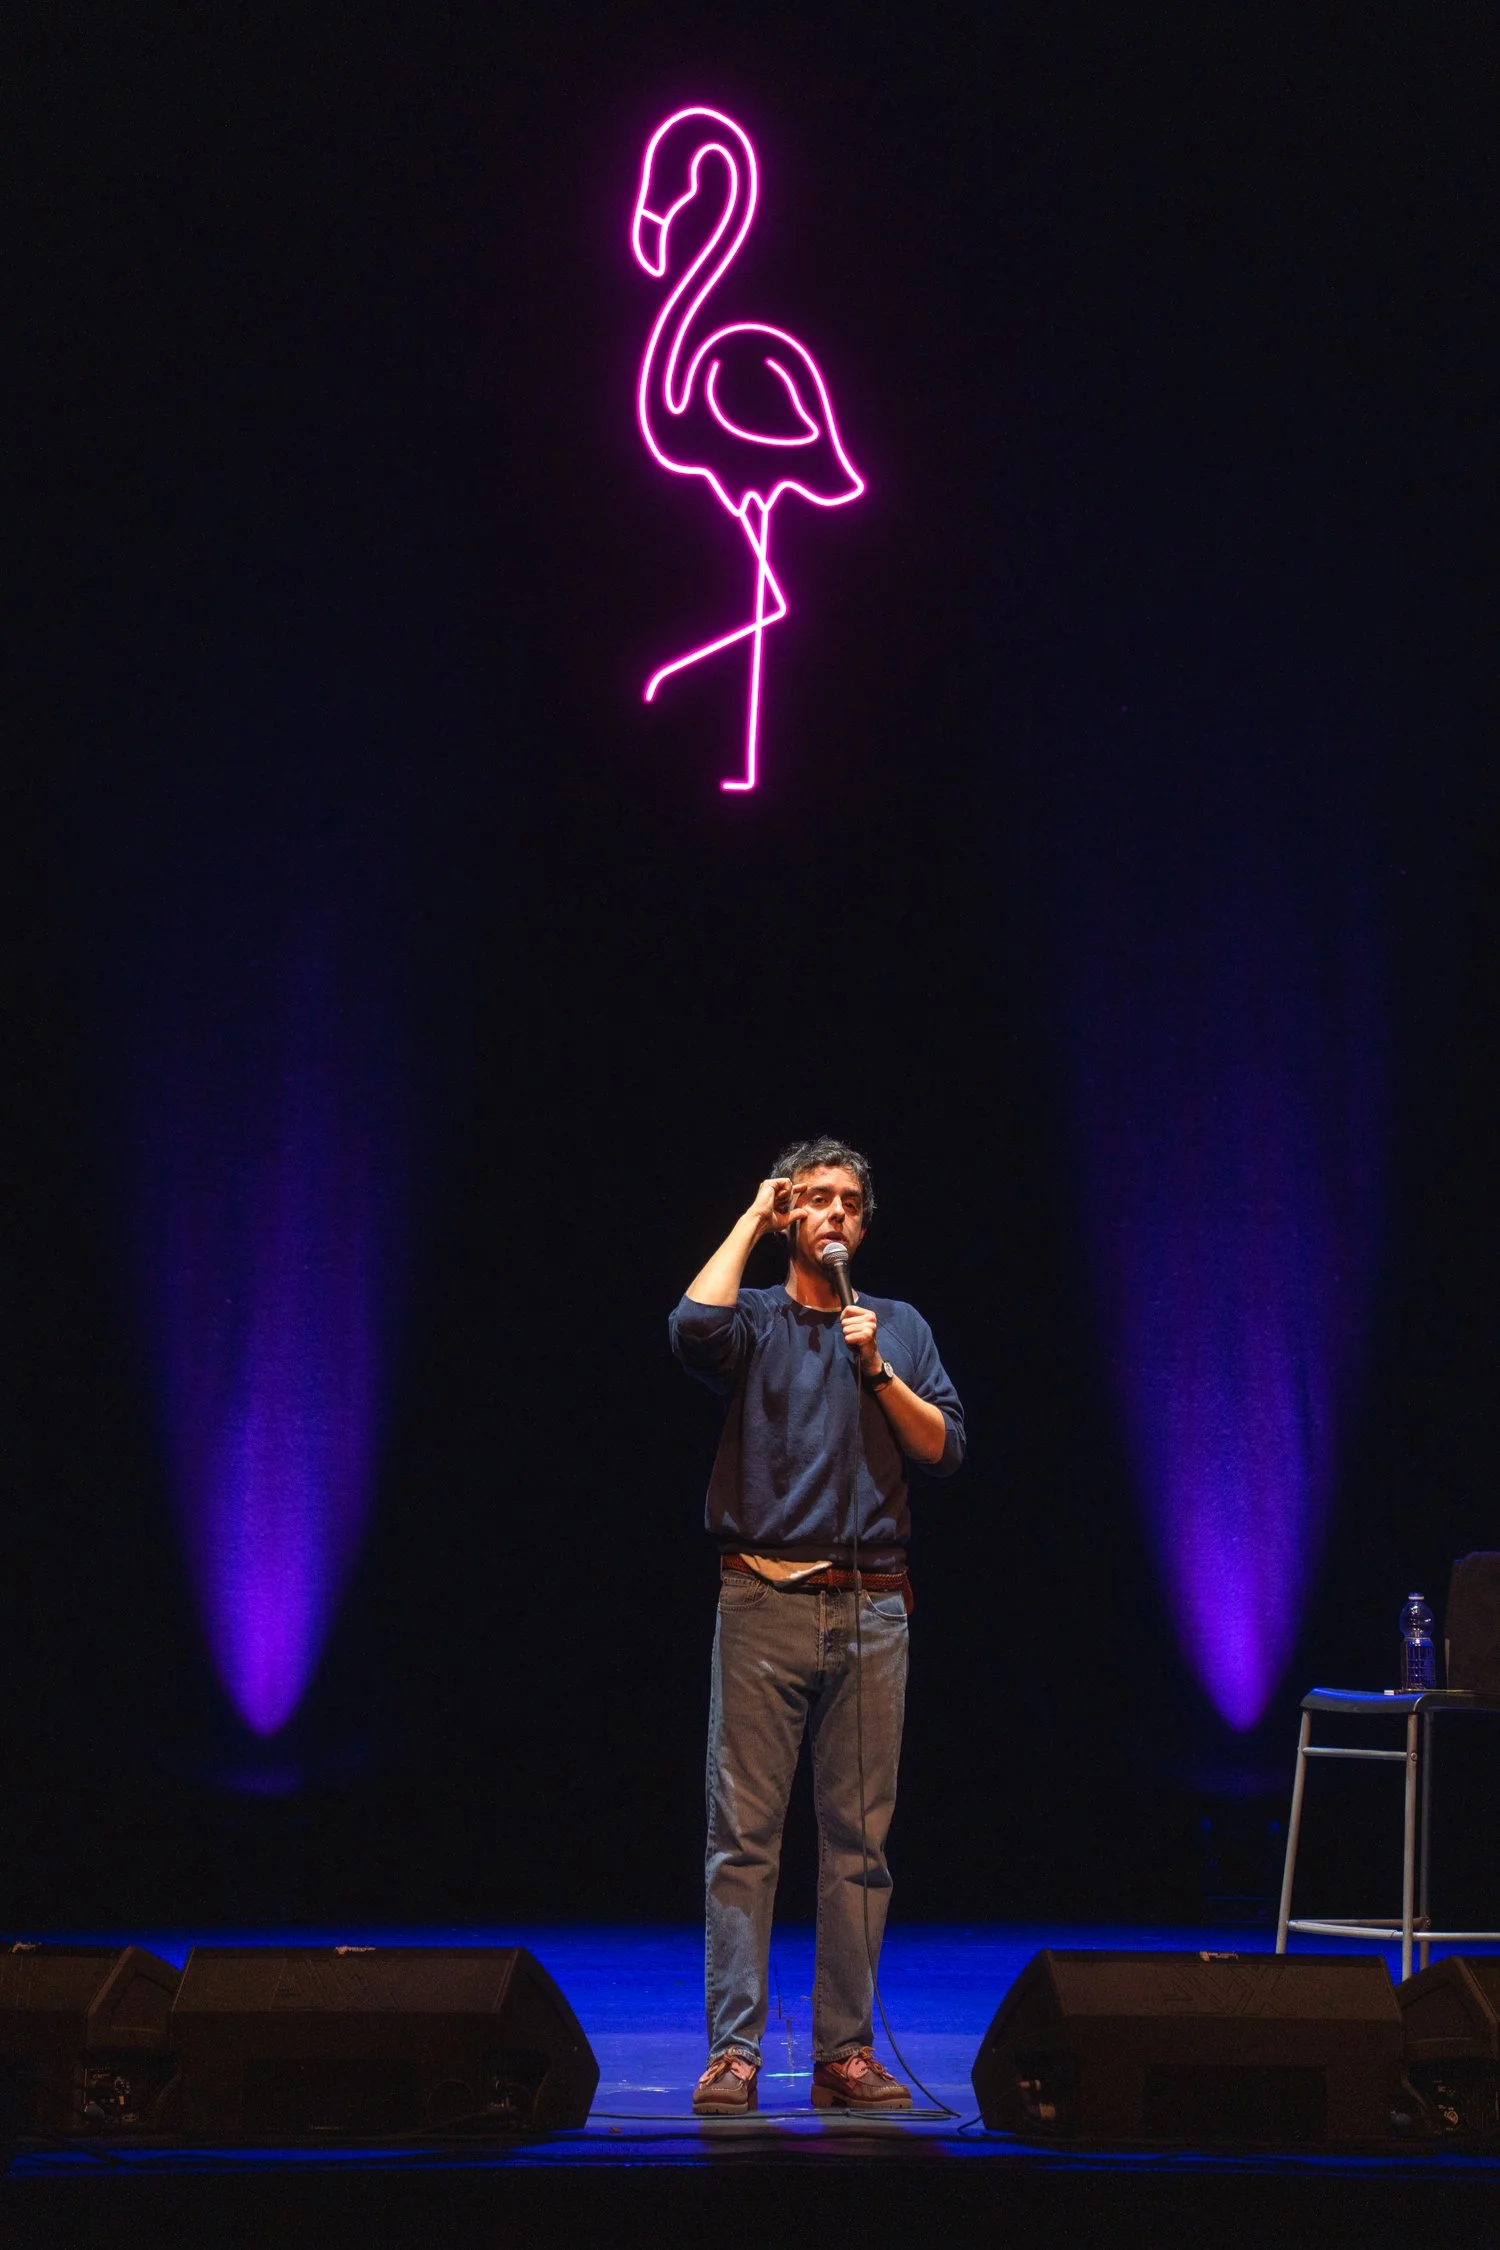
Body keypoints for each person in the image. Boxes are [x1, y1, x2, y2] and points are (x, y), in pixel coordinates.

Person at [669, 1136, 966, 2114]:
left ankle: (843, 2054)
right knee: (744, 1840)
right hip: (762, 1600)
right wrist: (754, 1214)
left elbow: (942, 1450)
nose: (834, 1214)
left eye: (849, 1203)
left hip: (875, 1606)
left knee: (860, 1846)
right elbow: (689, 1326)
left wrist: (878, 1367)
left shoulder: (900, 1327)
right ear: (794, 1217)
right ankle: (735, 2053)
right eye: (816, 1201)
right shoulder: (753, 1321)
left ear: (864, 1225)